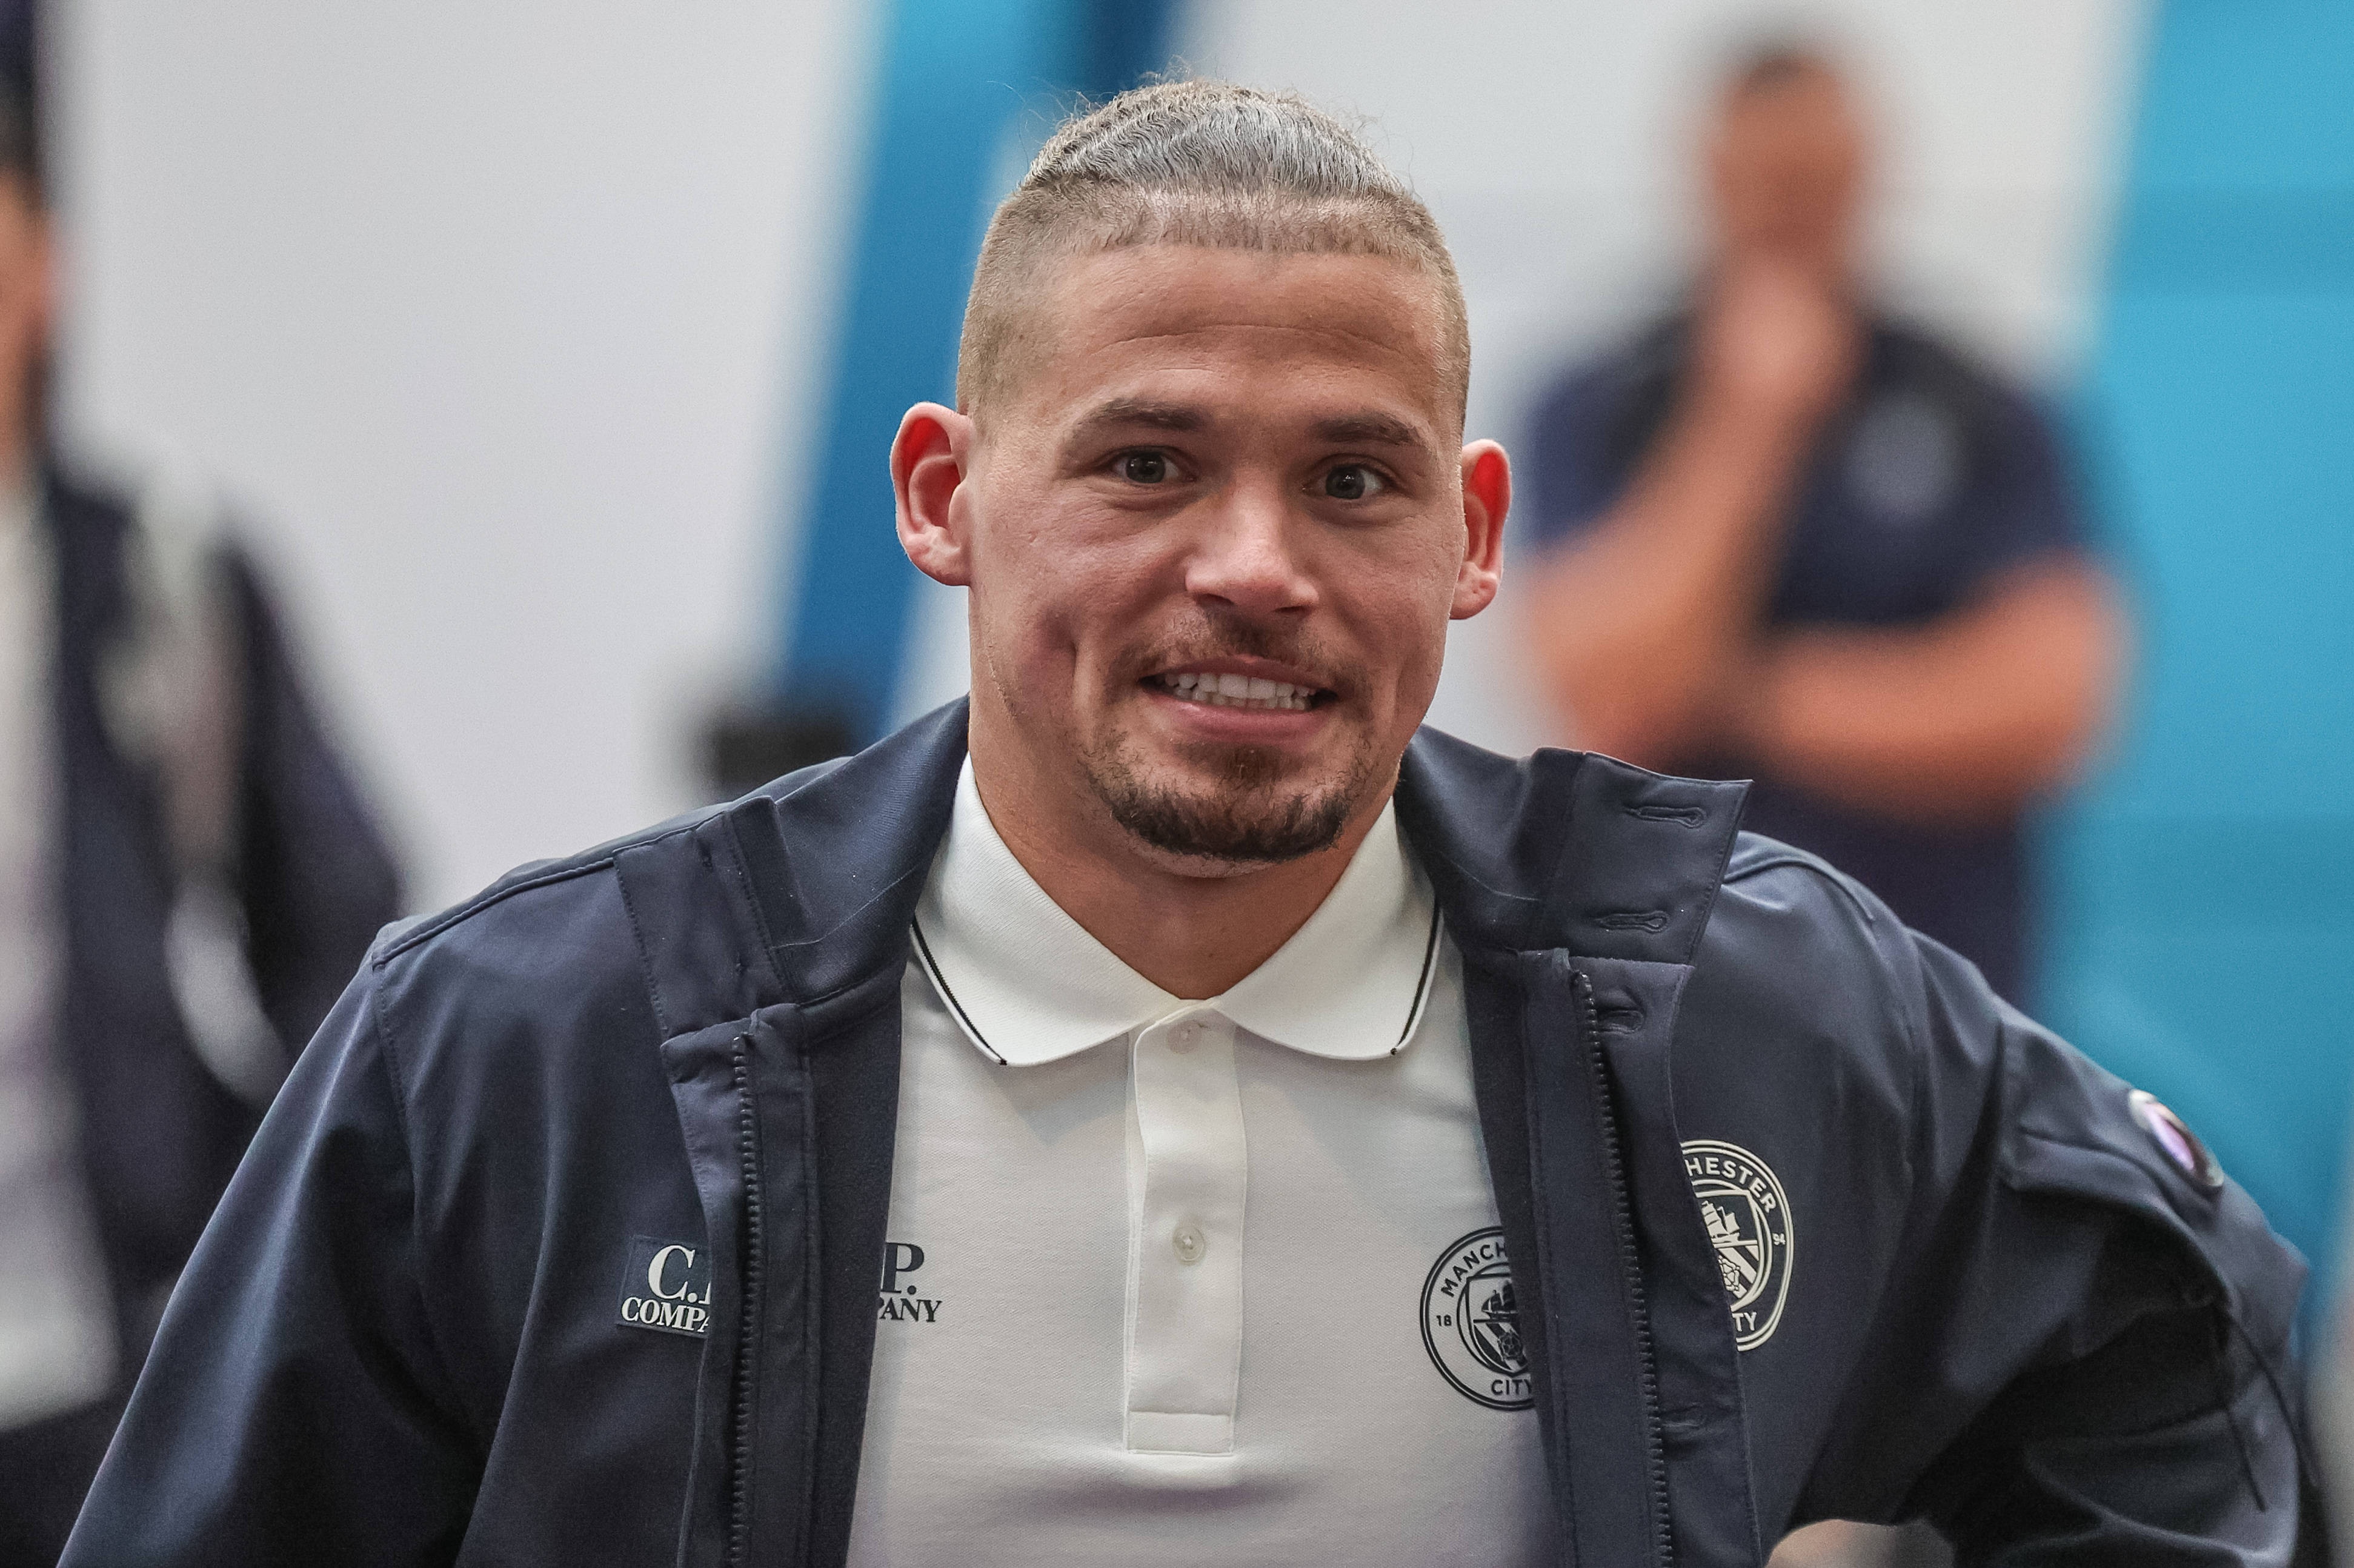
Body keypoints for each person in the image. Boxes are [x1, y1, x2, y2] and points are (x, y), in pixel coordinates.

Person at [66, 81, 2308, 1567]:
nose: (1255, 563)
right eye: (1146, 463)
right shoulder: (532, 1051)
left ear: (1468, 534)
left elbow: (2169, 1344)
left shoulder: (1750, 1010)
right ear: (944, 495)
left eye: (1351, 478)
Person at [0, 6, 404, 1559]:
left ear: (46, 266)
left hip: (87, 1358)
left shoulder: (163, 572)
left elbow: (340, 927)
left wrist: (257, 1220)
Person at [1520, 47, 2127, 1006]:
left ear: (1866, 171)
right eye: (1766, 179)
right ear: (1708, 172)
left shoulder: (1979, 406)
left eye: (1815, 179)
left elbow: (2049, 703)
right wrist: (1749, 421)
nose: (1789, 209)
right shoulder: (1599, 403)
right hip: (1666, 994)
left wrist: (1740, 693)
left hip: (1938, 991)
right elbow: (1610, 694)